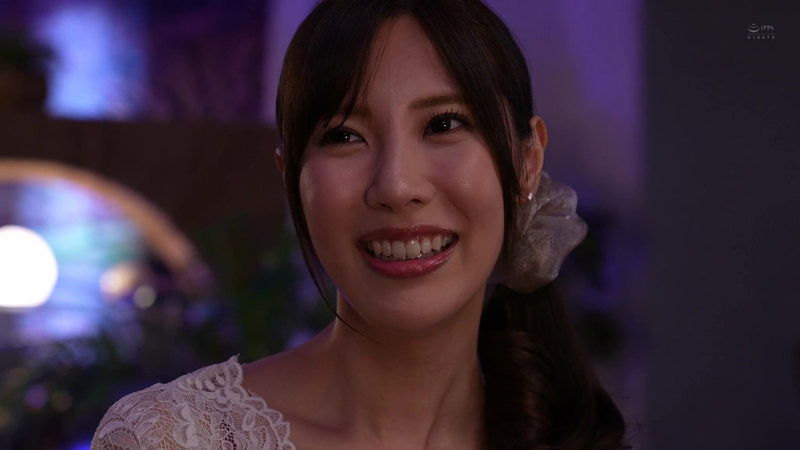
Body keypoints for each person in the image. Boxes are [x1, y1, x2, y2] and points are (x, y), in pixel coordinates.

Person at [91, 0, 627, 448]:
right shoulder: (173, 438)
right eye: (344, 136)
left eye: (444, 124)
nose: (396, 185)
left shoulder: (569, 436)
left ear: (527, 162)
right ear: (291, 176)